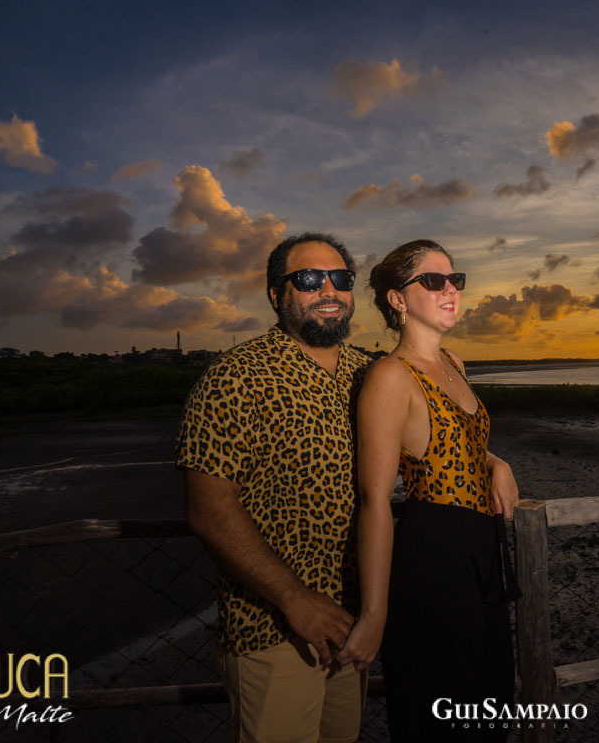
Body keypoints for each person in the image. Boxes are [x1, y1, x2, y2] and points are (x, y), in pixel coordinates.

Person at [177, 232, 370, 743]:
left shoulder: (368, 373)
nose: (328, 289)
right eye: (308, 279)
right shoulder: (234, 378)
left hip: (353, 623)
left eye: (341, 278)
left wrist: (490, 457)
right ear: (276, 294)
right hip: (271, 629)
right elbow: (209, 510)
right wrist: (294, 599)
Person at [337, 239, 520, 741]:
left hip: (484, 554)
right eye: (433, 281)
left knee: (491, 712)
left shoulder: (454, 364)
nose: (451, 290)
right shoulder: (389, 377)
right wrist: (374, 613)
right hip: (434, 558)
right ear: (398, 300)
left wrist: (494, 459)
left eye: (455, 280)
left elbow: (455, 445)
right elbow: (374, 499)